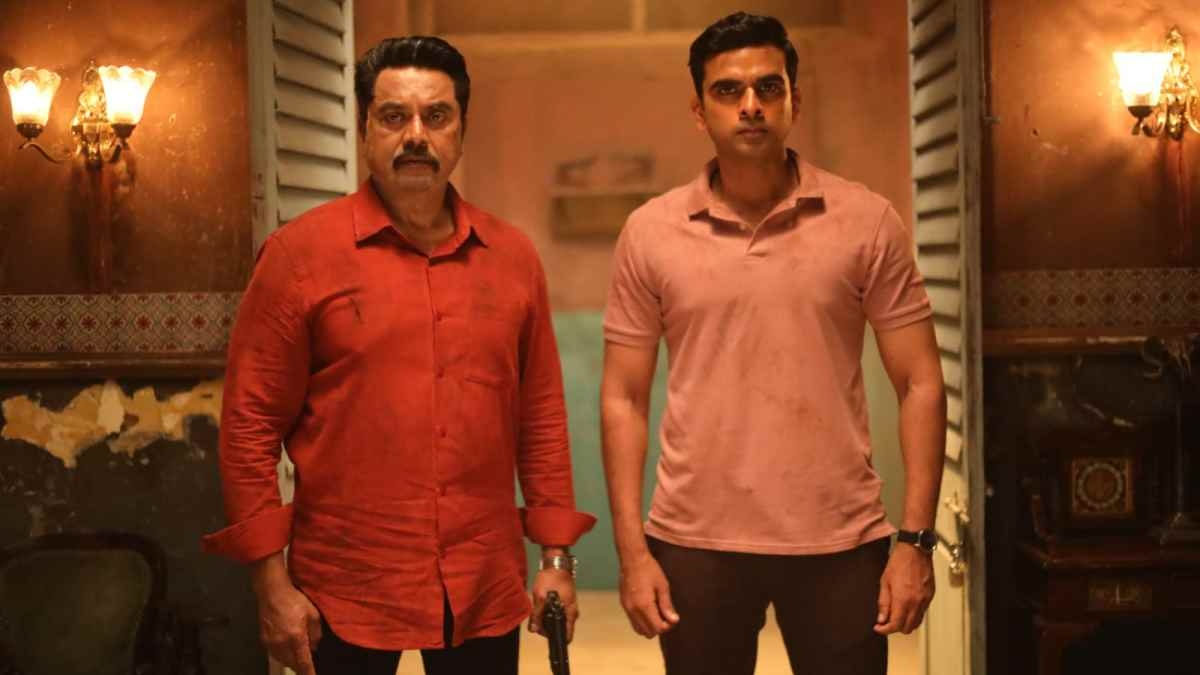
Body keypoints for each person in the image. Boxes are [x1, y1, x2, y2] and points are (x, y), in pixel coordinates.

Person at [203, 36, 595, 675]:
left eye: (436, 116)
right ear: (364, 129)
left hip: (481, 581)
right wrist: (270, 586)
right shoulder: (299, 256)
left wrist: (555, 559)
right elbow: (249, 428)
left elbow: (541, 420)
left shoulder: (513, 258)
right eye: (393, 117)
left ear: (461, 131)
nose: (416, 136)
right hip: (345, 586)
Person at [600, 12, 946, 675]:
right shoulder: (651, 232)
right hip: (695, 541)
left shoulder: (865, 221)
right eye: (728, 90)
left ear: (794, 100)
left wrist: (916, 540)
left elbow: (921, 382)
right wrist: (632, 552)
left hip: (840, 540)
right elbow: (623, 398)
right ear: (699, 110)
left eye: (768, 86)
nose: (751, 105)